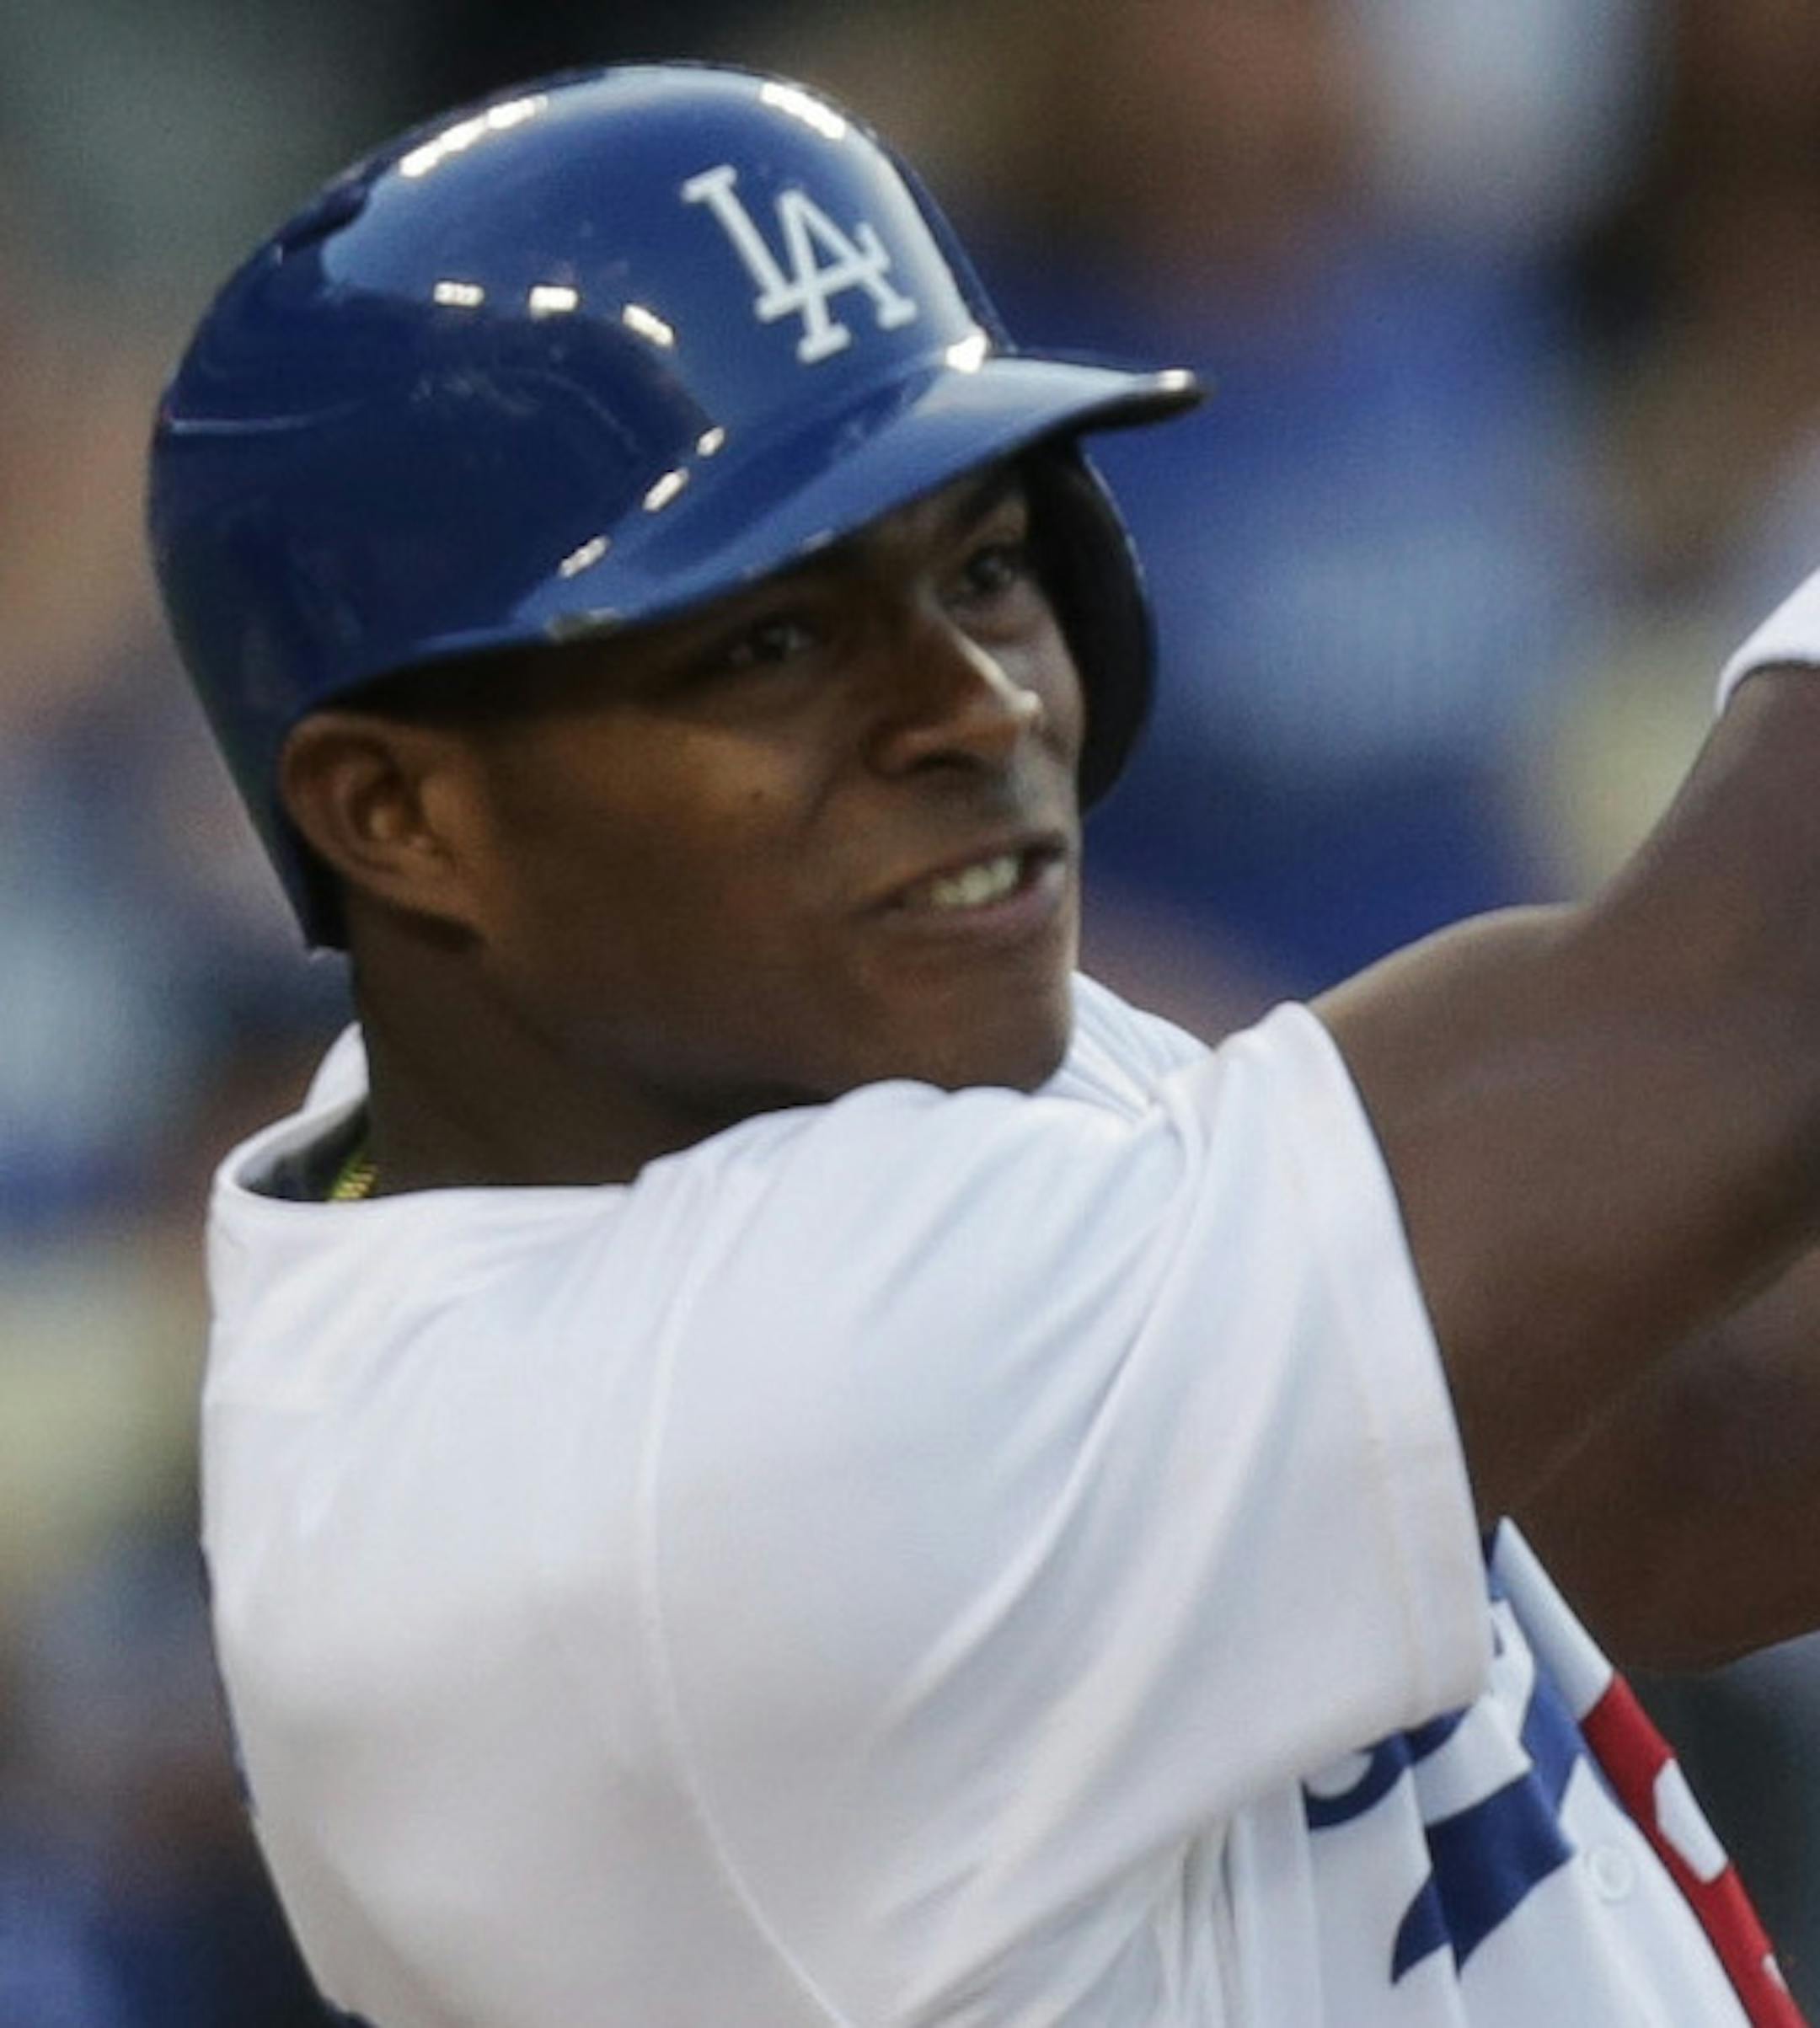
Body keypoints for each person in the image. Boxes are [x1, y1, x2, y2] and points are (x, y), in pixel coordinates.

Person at [147, 62, 1820, 2028]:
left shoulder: (731, 1061)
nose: (967, 703)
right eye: (767, 638)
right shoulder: (672, 1459)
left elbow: (1685, 1465)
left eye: (983, 567)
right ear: (397, 814)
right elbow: (1747, 1008)